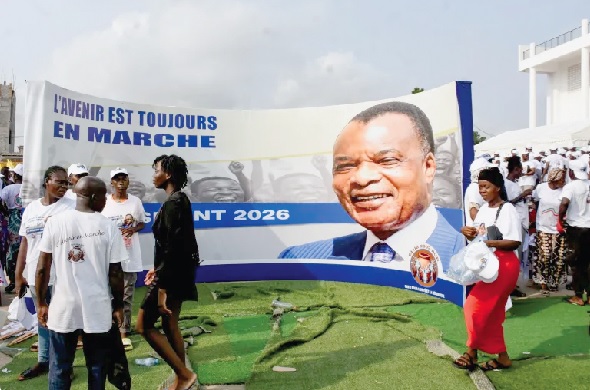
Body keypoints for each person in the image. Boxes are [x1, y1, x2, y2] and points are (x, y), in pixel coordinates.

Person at [279, 102, 464, 272]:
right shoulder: (300, 264)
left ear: (428, 167)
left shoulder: (476, 264)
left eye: (386, 160)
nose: (361, 178)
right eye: (345, 166)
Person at [35, 176, 127, 389]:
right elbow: (115, 272)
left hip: (63, 308)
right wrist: (119, 305)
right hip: (97, 308)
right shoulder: (108, 226)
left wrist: (41, 302)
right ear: (94, 197)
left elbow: (42, 268)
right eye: (104, 195)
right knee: (97, 367)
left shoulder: (55, 223)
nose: (106, 200)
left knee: (60, 367)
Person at [136, 155, 198, 390]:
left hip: (172, 276)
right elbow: (173, 244)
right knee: (170, 324)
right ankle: (181, 378)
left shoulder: (174, 202)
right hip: (176, 272)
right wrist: (156, 267)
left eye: (157, 170)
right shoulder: (177, 200)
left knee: (144, 326)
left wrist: (161, 288)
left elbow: (173, 247)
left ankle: (183, 374)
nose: (154, 174)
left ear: (168, 174)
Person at [454, 167, 521, 371]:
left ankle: (471, 353)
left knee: (473, 307)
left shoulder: (507, 209)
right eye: (480, 187)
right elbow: (477, 236)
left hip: (504, 265)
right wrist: (467, 232)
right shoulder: (483, 209)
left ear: (497, 187)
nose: (482, 190)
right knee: (491, 315)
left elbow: (515, 242)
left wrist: (489, 243)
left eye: (486, 186)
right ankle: (502, 357)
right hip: (487, 265)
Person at [14, 166, 75, 381]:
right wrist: (18, 274)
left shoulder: (71, 207)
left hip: (61, 274)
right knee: (42, 319)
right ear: (47, 181)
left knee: (61, 321)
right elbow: (24, 242)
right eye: (59, 182)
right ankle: (43, 361)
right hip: (34, 274)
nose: (63, 187)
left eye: (66, 183)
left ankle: (63, 366)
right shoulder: (31, 208)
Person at [101, 167, 146, 349]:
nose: (120, 181)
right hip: (108, 257)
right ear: (111, 182)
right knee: (107, 294)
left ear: (128, 181)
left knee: (127, 295)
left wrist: (133, 229)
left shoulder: (135, 202)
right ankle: (106, 330)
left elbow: (142, 222)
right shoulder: (104, 203)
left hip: (129, 255)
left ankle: (123, 333)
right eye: (116, 178)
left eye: (124, 178)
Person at [558, 164, 590, 306]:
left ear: (571, 172)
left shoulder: (571, 186)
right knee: (588, 262)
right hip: (589, 226)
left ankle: (577, 295)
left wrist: (560, 218)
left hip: (576, 228)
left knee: (576, 262)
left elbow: (564, 203)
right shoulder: (588, 185)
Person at [532, 168, 567, 294]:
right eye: (561, 179)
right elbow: (535, 200)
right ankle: (543, 282)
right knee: (545, 256)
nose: (563, 181)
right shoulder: (541, 188)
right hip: (543, 227)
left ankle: (554, 283)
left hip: (558, 229)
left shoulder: (564, 190)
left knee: (557, 257)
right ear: (554, 179)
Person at [1, 163, 24, 293]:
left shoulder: (9, 189)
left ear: (15, 175)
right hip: (26, 217)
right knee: (25, 251)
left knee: (12, 252)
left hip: (13, 221)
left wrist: (5, 212)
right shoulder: (29, 188)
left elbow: (0, 200)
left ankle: (13, 281)